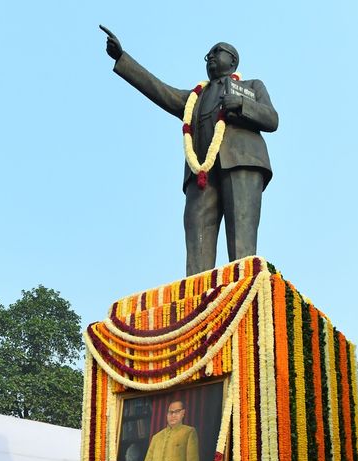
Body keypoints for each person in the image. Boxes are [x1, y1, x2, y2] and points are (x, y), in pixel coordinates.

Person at [100, 27, 278, 275]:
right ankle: (199, 299)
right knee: (198, 240)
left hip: (241, 163)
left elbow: (271, 119)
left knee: (241, 240)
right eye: (208, 54)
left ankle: (244, 291)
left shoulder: (252, 86)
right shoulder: (195, 97)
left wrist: (240, 104)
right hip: (201, 172)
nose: (211, 56)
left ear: (233, 61)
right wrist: (123, 58)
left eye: (218, 51)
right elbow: (159, 90)